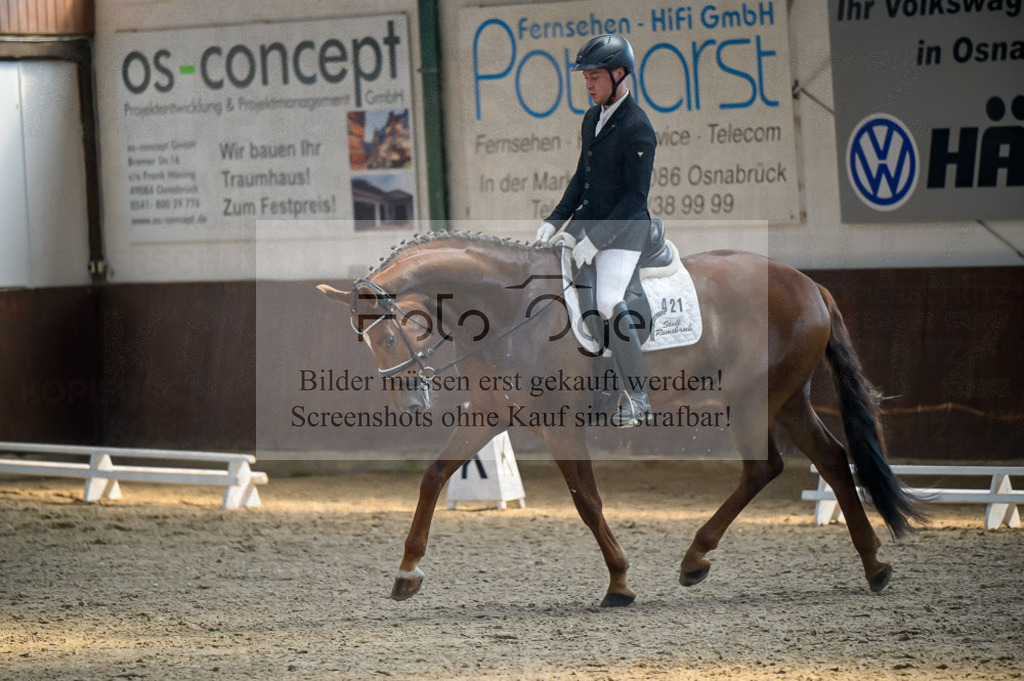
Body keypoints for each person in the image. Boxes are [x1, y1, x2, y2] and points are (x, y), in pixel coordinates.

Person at [535, 34, 657, 428]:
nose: (588, 85)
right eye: (586, 77)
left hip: (627, 230)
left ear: (619, 74)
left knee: (606, 300)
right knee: (566, 288)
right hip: (590, 226)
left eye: (595, 77)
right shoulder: (592, 118)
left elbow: (635, 197)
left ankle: (636, 397)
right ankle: (600, 383)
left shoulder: (638, 127)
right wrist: (554, 224)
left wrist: (595, 240)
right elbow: (581, 180)